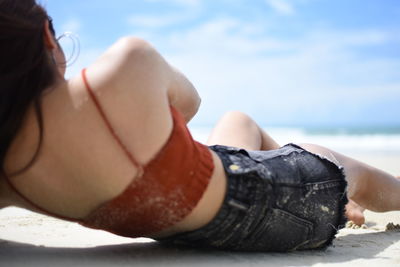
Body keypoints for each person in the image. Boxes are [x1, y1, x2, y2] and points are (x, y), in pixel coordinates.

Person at [0, 0, 399, 252]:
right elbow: (189, 104)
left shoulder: (7, 170)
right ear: (49, 41)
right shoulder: (123, 65)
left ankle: (318, 185)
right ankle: (336, 190)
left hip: (185, 230)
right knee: (350, 171)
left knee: (237, 121)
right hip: (270, 212)